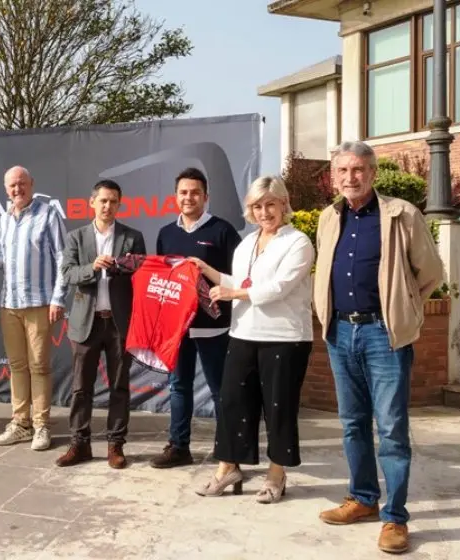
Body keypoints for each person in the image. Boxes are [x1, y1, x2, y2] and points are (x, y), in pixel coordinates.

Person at [314, 141, 444, 554]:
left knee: (391, 430)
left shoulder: (401, 214)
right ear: (333, 177)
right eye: (342, 171)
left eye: (358, 170)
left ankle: (395, 518)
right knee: (353, 423)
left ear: (372, 173)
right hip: (340, 333)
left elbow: (431, 273)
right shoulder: (326, 217)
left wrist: (405, 309)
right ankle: (363, 499)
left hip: (383, 336)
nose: (350, 178)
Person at [189, 176, 314, 502]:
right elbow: (239, 281)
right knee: (232, 404)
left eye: (270, 204)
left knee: (278, 409)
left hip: (285, 338)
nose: (264, 212)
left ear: (283, 204)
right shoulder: (246, 243)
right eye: (257, 206)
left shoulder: (298, 242)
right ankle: (227, 468)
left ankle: (276, 475)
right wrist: (207, 269)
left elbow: (278, 288)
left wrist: (233, 292)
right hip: (243, 333)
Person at [150, 167, 242, 468]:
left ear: (206, 196)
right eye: (183, 192)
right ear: (175, 197)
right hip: (179, 328)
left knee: (220, 390)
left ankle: (229, 453)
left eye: (195, 193)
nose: (188, 198)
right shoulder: (166, 233)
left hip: (213, 327)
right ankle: (179, 447)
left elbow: (239, 279)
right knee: (178, 387)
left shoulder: (223, 231)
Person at [56, 179, 146, 469]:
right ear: (92, 202)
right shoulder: (76, 238)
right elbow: (68, 274)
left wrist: (124, 269)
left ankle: (115, 445)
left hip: (120, 323)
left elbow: (142, 275)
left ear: (120, 204)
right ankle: (79, 444)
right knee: (81, 388)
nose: (108, 206)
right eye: (103, 200)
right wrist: (92, 268)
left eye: (113, 201)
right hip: (86, 322)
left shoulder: (133, 237)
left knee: (120, 387)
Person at [0, 166, 67, 451]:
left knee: (39, 367)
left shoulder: (48, 214)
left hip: (39, 303)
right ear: (6, 189)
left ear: (32, 184)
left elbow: (63, 258)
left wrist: (58, 298)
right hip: (10, 304)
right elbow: (6, 259)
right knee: (17, 366)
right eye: (12, 186)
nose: (17, 189)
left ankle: (41, 426)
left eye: (22, 184)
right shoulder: (4, 220)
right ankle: (21, 424)